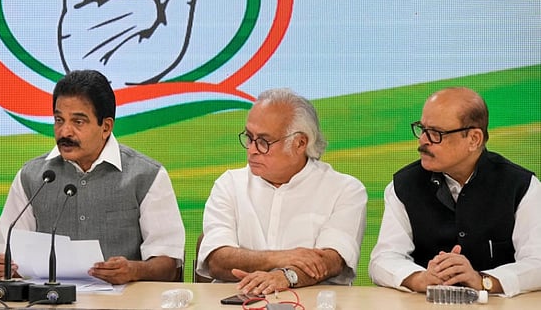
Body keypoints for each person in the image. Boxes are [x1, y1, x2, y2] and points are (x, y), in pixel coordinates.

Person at [0, 70, 185, 285]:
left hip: (122, 304)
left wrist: (134, 270)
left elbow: (168, 265)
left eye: (78, 122)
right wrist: (0, 267)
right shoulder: (33, 177)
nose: (65, 132)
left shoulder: (146, 175)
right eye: (59, 120)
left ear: (105, 127)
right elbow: (7, 255)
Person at [369, 87, 541, 296]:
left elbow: (537, 262)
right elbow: (383, 259)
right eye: (422, 129)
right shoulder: (403, 185)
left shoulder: (521, 185)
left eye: (436, 134)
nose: (423, 140)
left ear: (474, 139)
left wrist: (482, 280)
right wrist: (419, 278)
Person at [197, 88, 367, 295]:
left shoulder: (345, 190)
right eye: (249, 138)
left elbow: (331, 261)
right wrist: (282, 258)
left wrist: (285, 277)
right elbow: (217, 260)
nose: (251, 149)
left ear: (300, 143)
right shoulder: (229, 184)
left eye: (263, 142)